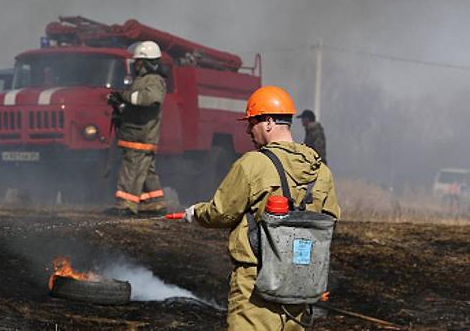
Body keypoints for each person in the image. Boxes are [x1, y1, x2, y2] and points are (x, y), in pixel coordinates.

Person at [181, 86, 341, 330]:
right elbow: (329, 221)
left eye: (251, 122)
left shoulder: (253, 164)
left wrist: (195, 214)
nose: (247, 129)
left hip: (256, 286)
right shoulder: (321, 171)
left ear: (268, 122)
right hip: (302, 287)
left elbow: (221, 212)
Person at [109, 41, 168, 215]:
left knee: (132, 168)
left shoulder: (154, 80)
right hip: (137, 133)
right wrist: (119, 105)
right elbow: (136, 104)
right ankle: (153, 202)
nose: (136, 65)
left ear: (144, 62)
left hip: (140, 136)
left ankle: (126, 204)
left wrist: (124, 96)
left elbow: (150, 99)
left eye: (138, 61)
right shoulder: (143, 79)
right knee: (147, 170)